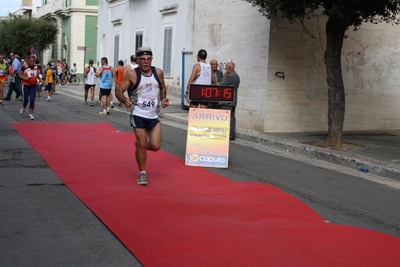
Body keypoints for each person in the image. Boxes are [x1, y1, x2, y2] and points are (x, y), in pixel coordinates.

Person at [116, 47, 169, 186]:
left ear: (151, 59)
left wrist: (163, 99)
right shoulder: (132, 74)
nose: (146, 62)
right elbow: (119, 91)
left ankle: (140, 146)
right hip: (138, 113)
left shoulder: (158, 72)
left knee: (156, 146)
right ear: (138, 60)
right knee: (143, 142)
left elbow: (162, 87)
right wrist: (124, 100)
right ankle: (142, 173)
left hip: (154, 115)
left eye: (148, 59)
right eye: (143, 59)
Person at [218, 61, 240, 140]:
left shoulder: (230, 76)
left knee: (227, 118)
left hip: (227, 101)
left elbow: (221, 84)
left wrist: (224, 76)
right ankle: (232, 134)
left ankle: (229, 134)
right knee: (232, 117)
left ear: (229, 68)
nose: (225, 68)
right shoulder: (236, 75)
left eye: (226, 67)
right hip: (232, 101)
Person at [19, 55, 39, 120]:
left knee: (32, 100)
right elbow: (19, 75)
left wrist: (39, 80)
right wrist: (25, 78)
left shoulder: (36, 67)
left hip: (33, 85)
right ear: (28, 61)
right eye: (31, 61)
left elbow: (37, 75)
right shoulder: (25, 67)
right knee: (25, 100)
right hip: (25, 85)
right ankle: (24, 106)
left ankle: (31, 114)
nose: (32, 62)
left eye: (33, 61)